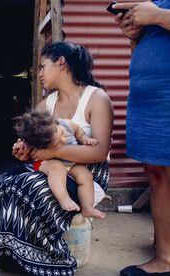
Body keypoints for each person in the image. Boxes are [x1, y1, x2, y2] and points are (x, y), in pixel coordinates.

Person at [0, 42, 113, 275]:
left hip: (86, 174)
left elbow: (99, 152)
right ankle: (11, 253)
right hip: (51, 169)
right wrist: (23, 152)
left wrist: (54, 153)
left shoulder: (96, 98)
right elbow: (34, 147)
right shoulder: (46, 104)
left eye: (43, 67)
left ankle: (46, 259)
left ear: (61, 63)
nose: (39, 74)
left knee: (30, 189)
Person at [113, 1, 170, 275]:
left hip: (166, 96)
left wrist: (158, 16)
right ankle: (165, 254)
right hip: (148, 97)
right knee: (156, 172)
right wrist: (135, 36)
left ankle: (166, 258)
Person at [13, 110, 105, 218]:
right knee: (57, 168)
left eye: (62, 133)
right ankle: (63, 198)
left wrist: (85, 139)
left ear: (56, 123)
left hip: (71, 165)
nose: (64, 139)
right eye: (57, 144)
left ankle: (87, 207)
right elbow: (26, 149)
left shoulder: (67, 124)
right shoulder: (37, 139)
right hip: (48, 163)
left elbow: (79, 132)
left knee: (85, 175)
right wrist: (20, 148)